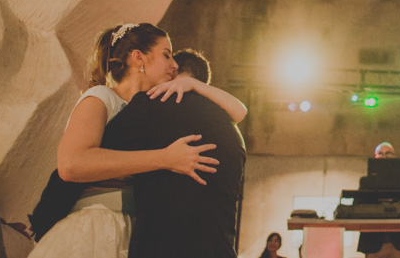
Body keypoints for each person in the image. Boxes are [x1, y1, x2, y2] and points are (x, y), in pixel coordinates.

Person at [27, 23, 220, 257]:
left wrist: (194, 85)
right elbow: (71, 164)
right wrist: (165, 158)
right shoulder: (102, 97)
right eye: (166, 55)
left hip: (137, 231)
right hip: (95, 227)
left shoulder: (153, 113)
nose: (175, 65)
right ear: (139, 57)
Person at [100, 47, 247, 258]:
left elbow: (95, 155)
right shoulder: (233, 133)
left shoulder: (151, 104)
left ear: (173, 72)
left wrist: (48, 211)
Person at [356, 142, 400, 258]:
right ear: (375, 157)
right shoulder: (366, 182)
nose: (384, 157)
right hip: (372, 243)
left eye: (388, 154)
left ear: (394, 157)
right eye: (381, 154)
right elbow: (360, 207)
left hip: (396, 242)